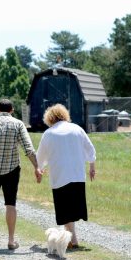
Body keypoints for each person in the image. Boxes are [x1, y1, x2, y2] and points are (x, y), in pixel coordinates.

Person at [0, 99, 40, 250]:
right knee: (11, 204)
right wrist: (37, 167)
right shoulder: (18, 124)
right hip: (11, 170)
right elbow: (28, 148)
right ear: (12, 110)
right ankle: (11, 240)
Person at [36, 104, 96, 248]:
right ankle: (71, 239)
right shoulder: (77, 129)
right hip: (77, 175)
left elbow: (41, 156)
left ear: (50, 118)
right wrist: (92, 167)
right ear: (64, 115)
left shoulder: (49, 133)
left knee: (65, 210)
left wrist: (39, 169)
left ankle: (71, 240)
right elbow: (90, 148)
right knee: (71, 210)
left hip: (60, 175)